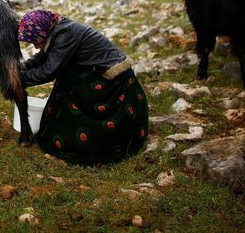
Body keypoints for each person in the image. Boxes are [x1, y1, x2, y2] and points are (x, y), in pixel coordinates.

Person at [18, 10, 149, 166]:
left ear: (42, 33)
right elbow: (44, 56)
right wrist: (22, 66)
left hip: (113, 80)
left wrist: (16, 80)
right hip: (96, 70)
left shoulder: (66, 33)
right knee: (66, 78)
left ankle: (82, 141)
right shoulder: (56, 29)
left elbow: (49, 71)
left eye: (35, 40)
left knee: (68, 84)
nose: (35, 45)